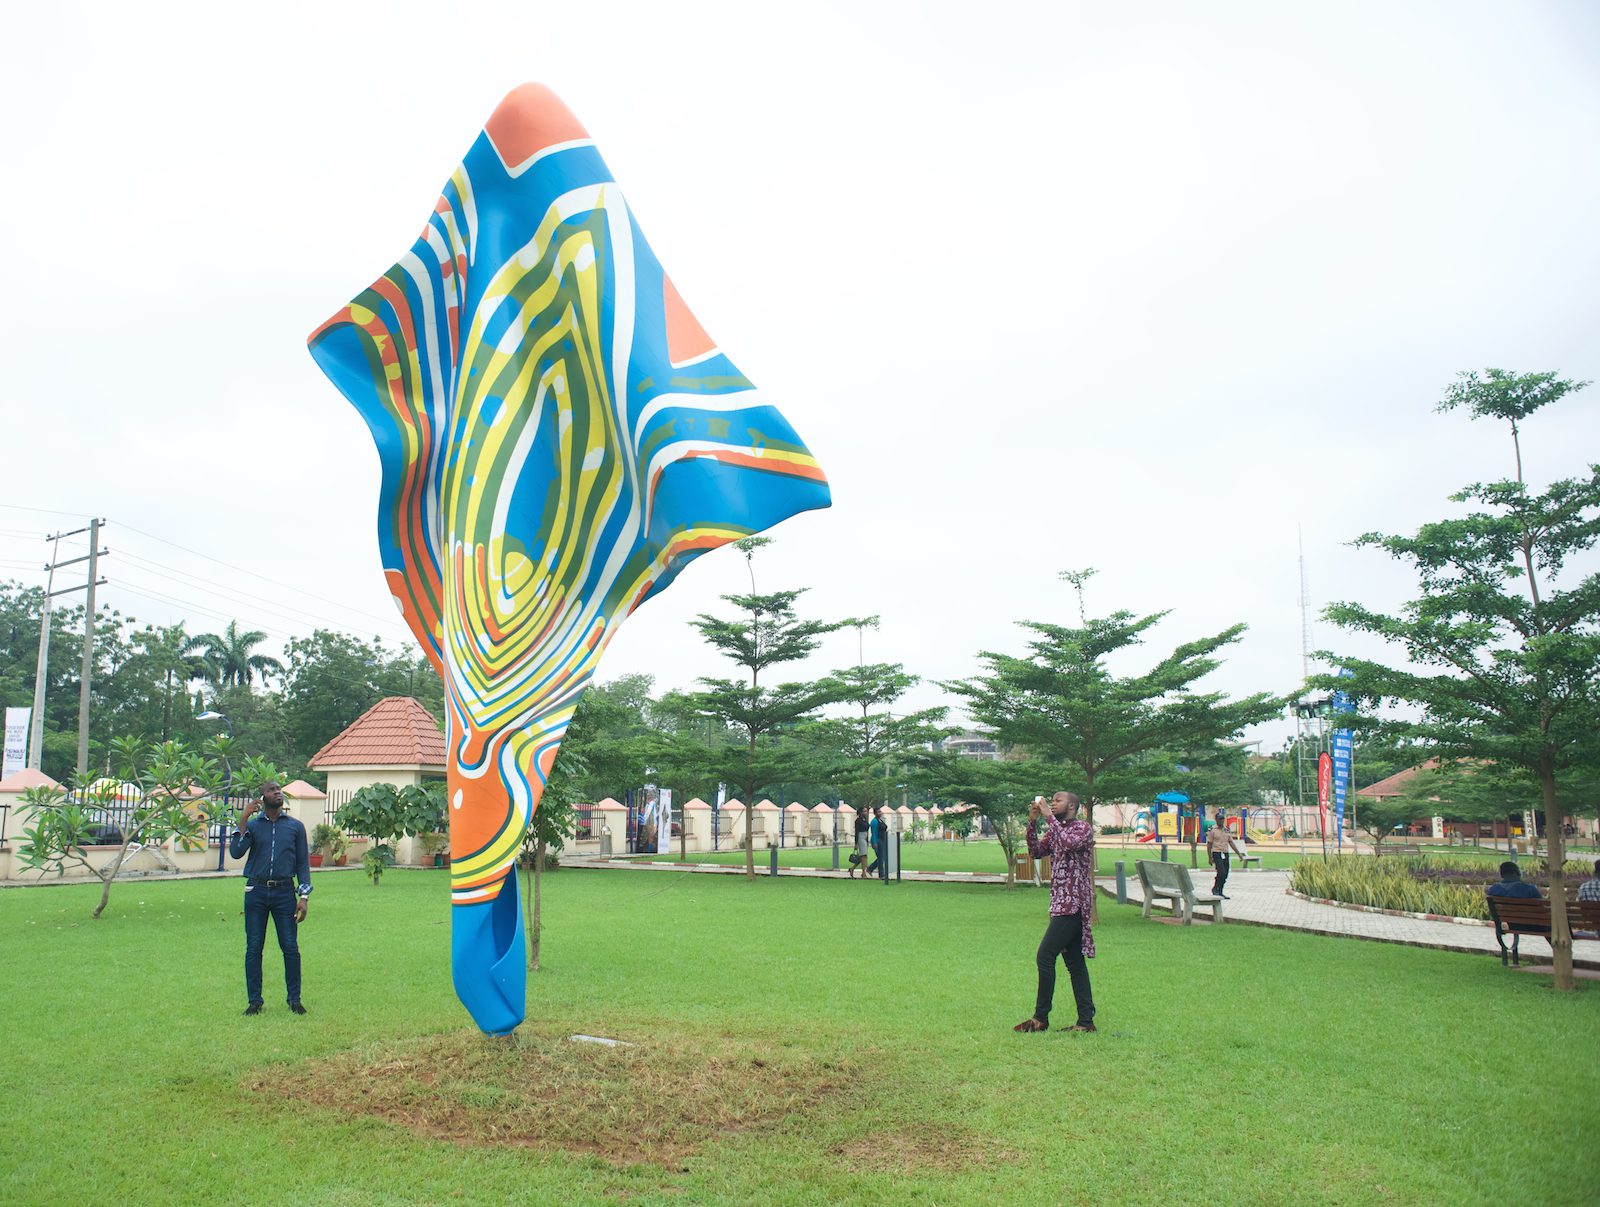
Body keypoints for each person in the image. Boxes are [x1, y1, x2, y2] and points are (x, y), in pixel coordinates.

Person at [1014, 791, 1096, 1034]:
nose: (1053, 803)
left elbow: (1069, 843)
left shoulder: (1083, 828)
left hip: (1073, 905)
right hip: (1060, 904)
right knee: (1074, 964)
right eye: (1051, 801)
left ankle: (1040, 1018)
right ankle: (1085, 1021)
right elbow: (1036, 851)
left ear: (1071, 805)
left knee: (1045, 956)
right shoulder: (1056, 829)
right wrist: (1032, 822)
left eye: (1057, 801)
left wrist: (1048, 816)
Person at [229, 782, 312, 1015]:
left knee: (290, 947)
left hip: (284, 893)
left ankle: (294, 1000)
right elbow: (236, 852)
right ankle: (254, 1001)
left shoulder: (295, 827)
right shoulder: (254, 827)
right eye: (271, 790)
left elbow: (303, 865)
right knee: (254, 947)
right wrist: (243, 819)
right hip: (256, 892)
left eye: (279, 790)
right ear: (262, 798)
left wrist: (303, 897)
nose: (277, 793)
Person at [1205, 808, 1247, 898]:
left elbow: (1231, 842)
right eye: (1220, 819)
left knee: (1225, 873)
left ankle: (1219, 889)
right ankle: (1217, 890)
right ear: (1216, 820)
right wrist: (1209, 857)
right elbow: (1209, 844)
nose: (1221, 821)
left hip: (1225, 853)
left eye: (1222, 819)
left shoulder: (1226, 830)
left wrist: (1238, 853)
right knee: (1221, 872)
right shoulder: (1212, 830)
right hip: (1217, 853)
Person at [849, 806, 870, 877]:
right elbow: (857, 832)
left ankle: (852, 868)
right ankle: (863, 873)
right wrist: (856, 843)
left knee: (863, 856)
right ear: (860, 812)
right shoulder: (858, 821)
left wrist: (867, 840)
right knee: (864, 856)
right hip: (860, 838)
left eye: (866, 811)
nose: (866, 813)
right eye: (864, 811)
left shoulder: (865, 820)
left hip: (865, 837)